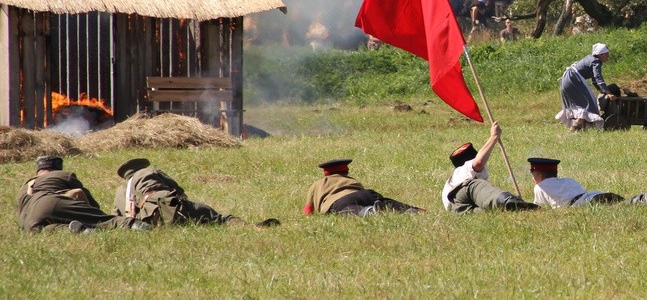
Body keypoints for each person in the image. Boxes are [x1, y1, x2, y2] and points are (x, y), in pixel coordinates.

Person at [112, 158, 272, 226]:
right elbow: (178, 190)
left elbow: (117, 219)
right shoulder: (148, 171)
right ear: (141, 165)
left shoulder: (120, 192)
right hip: (170, 206)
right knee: (219, 219)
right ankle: (249, 226)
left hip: (147, 223)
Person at [17, 155, 152, 233]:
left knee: (42, 230)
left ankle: (80, 231)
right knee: (101, 220)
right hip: (52, 202)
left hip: (29, 220)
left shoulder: (24, 187)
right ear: (56, 168)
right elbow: (85, 197)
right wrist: (94, 212)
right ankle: (133, 225)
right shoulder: (63, 175)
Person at [442, 122, 538, 214]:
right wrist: (494, 137)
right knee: (476, 185)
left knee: (494, 212)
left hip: (457, 209)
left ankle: (514, 207)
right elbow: (478, 163)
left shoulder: (453, 179)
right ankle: (508, 200)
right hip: (463, 194)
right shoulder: (463, 169)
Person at [303, 159, 424, 216]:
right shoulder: (351, 180)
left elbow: (308, 210)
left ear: (325, 172)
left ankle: (370, 212)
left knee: (350, 210)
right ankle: (412, 209)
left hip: (339, 201)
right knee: (386, 201)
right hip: (366, 194)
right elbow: (359, 193)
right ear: (346, 171)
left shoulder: (316, 185)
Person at [528, 158, 647, 208]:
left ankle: (642, 200)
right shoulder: (568, 180)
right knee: (621, 203)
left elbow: (539, 209)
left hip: (584, 204)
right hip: (594, 195)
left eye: (533, 175)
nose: (533, 178)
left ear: (539, 174)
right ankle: (642, 198)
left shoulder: (539, 187)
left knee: (617, 207)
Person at [556, 43, 617, 132]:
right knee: (589, 104)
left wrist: (601, 90)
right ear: (601, 55)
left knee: (582, 105)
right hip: (573, 80)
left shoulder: (591, 59)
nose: (608, 56)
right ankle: (574, 128)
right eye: (606, 54)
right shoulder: (596, 62)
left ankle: (580, 129)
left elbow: (594, 80)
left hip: (568, 80)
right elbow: (598, 78)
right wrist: (608, 93)